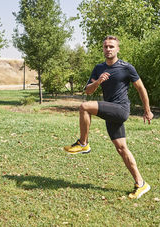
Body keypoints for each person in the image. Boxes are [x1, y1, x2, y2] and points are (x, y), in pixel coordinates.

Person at [64, 35, 154, 199]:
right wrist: (98, 81)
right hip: (110, 111)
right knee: (122, 149)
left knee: (84, 107)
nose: (108, 49)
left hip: (121, 109)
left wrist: (147, 110)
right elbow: (88, 91)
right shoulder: (99, 68)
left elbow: (141, 88)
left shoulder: (127, 67)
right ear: (103, 49)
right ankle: (141, 183)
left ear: (118, 49)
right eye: (106, 47)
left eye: (112, 46)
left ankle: (83, 143)